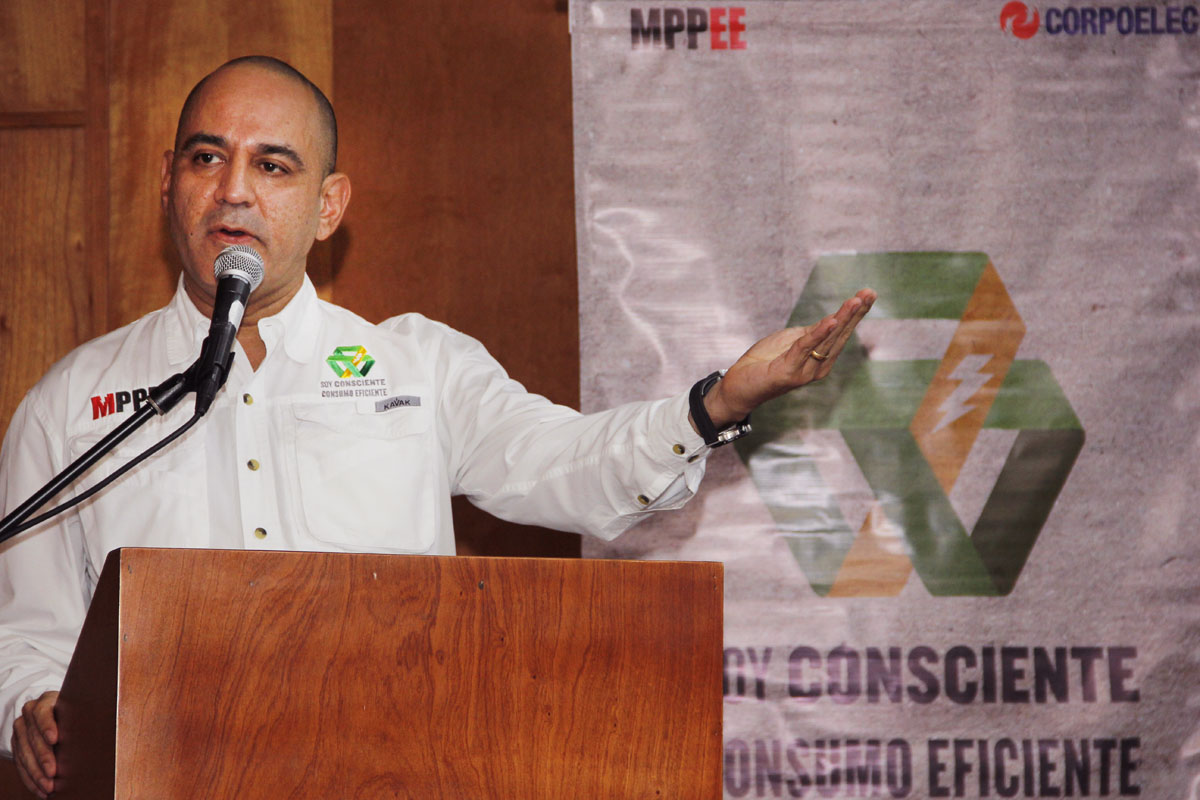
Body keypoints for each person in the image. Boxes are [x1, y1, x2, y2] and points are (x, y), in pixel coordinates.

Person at [0, 56, 875, 797]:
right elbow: (25, 626)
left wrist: (715, 404)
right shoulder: (73, 402)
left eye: (273, 166)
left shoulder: (417, 367)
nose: (234, 190)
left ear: (329, 205)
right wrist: (29, 704)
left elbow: (567, 464)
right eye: (207, 157)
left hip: (394, 771)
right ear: (168, 180)